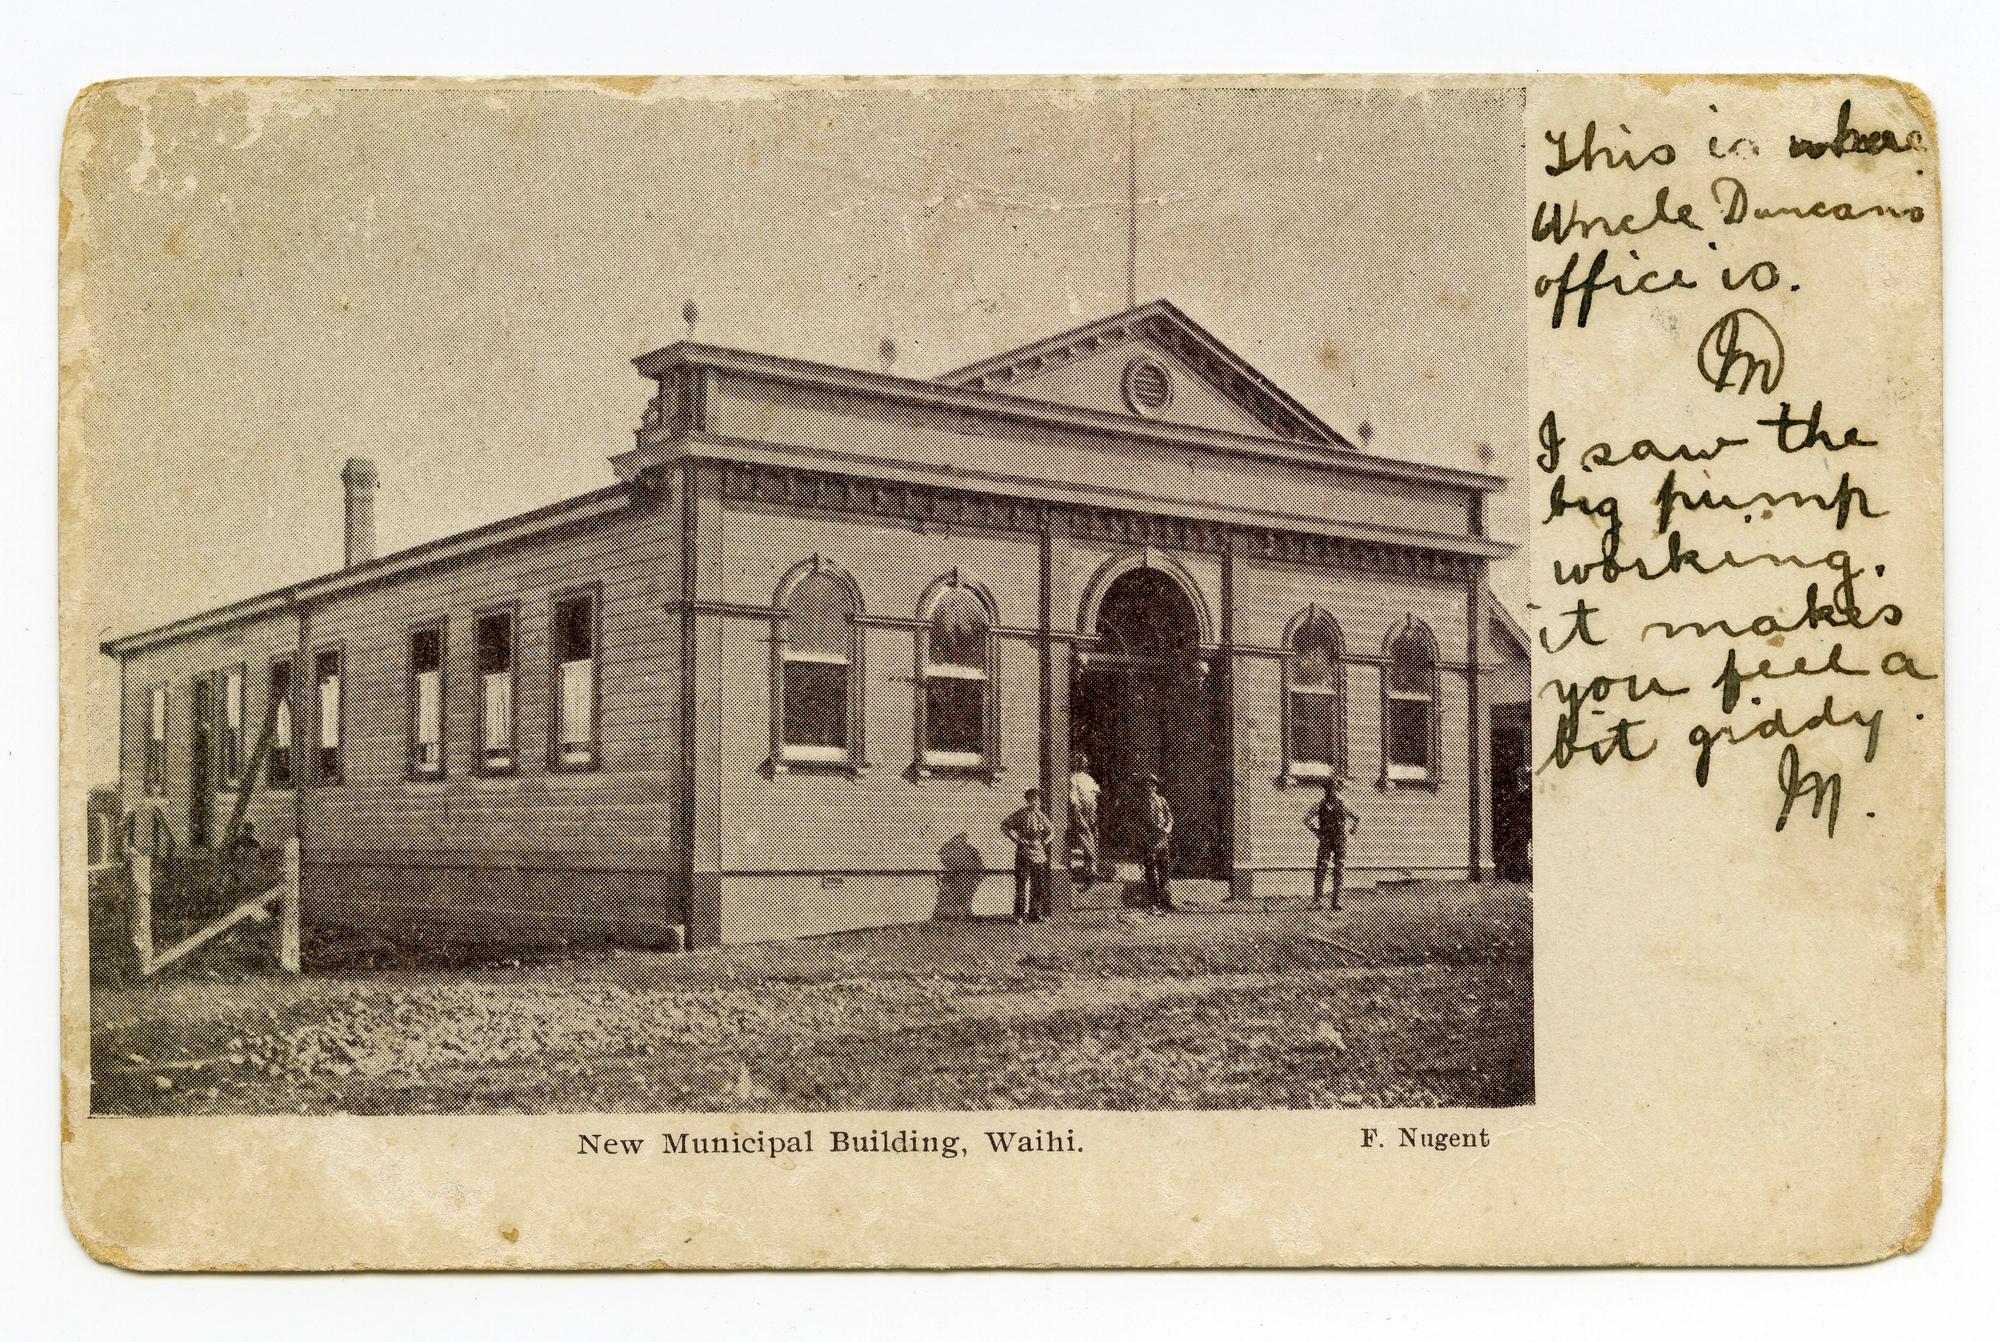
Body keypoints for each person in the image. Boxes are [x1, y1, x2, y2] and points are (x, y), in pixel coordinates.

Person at [1000, 788, 1054, 923]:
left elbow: (1052, 830)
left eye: (1037, 800)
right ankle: (1019, 915)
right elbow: (1004, 826)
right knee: (1021, 883)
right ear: (1027, 800)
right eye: (1031, 800)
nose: (1034, 803)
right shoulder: (1020, 814)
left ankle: (1035, 914)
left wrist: (1044, 842)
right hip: (1023, 851)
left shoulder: (1041, 815)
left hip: (1038, 852)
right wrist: (1016, 840)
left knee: (1038, 884)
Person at [1305, 778, 1359, 910]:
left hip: (1339, 840)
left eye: (1334, 790)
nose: (1332, 792)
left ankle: (1336, 901)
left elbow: (1356, 818)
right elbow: (1306, 820)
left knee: (1339, 869)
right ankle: (1317, 900)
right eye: (1329, 790)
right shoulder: (1320, 805)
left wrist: (1352, 830)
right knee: (1321, 867)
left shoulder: (1342, 804)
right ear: (1325, 791)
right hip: (1325, 840)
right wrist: (1316, 832)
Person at [1139, 774, 1174, 913]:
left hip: (1162, 840)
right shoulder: (1142, 803)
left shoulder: (1162, 800)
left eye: (1152, 785)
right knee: (1151, 871)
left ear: (1155, 786)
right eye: (1147, 785)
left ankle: (1166, 901)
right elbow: (1140, 823)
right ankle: (1154, 902)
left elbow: (1169, 818)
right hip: (1149, 840)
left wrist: (1166, 829)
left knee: (1164, 868)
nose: (1150, 788)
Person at [1067, 751, 1100, 881]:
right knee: (1086, 841)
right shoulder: (1073, 778)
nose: (1083, 764)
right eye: (1080, 762)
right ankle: (1089, 870)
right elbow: (1073, 800)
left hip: (1091, 814)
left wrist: (1095, 815)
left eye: (1084, 761)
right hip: (1081, 815)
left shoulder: (1089, 778)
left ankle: (1091, 869)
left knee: (1093, 840)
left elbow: (1096, 795)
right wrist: (1079, 817)